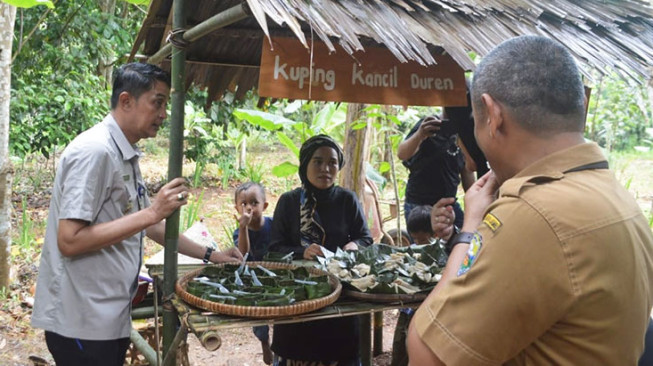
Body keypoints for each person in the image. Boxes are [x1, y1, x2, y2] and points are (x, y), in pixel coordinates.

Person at [406, 35, 653, 365]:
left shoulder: (533, 216)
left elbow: (427, 354)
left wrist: (470, 232)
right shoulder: (617, 197)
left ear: (493, 116)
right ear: (580, 105)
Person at [31, 62, 243, 366]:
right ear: (126, 101)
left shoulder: (124, 153)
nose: (163, 114)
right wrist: (154, 211)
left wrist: (211, 255)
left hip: (107, 315)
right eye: (157, 102)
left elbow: (147, 224)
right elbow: (70, 240)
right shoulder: (95, 152)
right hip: (82, 319)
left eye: (165, 104)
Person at [269, 134, 373, 366]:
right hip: (297, 301)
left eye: (332, 162)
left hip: (340, 298)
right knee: (297, 353)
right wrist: (300, 252)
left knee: (340, 352)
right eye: (317, 161)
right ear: (305, 164)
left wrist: (354, 245)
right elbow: (274, 249)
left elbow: (365, 237)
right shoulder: (289, 202)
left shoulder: (347, 200)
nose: (325, 168)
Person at [397, 108, 474, 230]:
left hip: (448, 206)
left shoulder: (464, 131)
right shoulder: (429, 125)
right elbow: (402, 154)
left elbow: (467, 171)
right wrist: (420, 135)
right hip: (419, 205)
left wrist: (476, 201)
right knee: (423, 246)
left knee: (464, 239)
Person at [391, 205, 438, 366]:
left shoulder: (440, 254)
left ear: (435, 234)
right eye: (415, 239)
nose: (418, 243)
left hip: (427, 310)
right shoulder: (409, 252)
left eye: (423, 240)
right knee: (400, 346)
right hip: (407, 309)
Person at [232, 181, 273, 365]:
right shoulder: (238, 231)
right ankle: (265, 342)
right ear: (237, 208)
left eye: (254, 203)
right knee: (258, 316)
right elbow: (243, 254)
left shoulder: (274, 225)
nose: (249, 208)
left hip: (275, 276)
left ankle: (280, 347)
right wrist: (243, 228)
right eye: (243, 204)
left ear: (264, 205)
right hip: (252, 280)